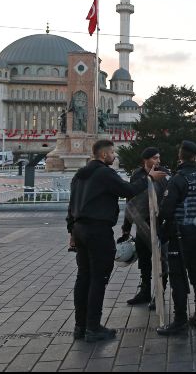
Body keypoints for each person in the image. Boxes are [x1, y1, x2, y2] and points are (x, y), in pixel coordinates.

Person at [67, 139, 166, 342]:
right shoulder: (104, 173)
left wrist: (72, 231)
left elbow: (71, 205)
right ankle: (93, 327)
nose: (115, 156)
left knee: (83, 277)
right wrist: (149, 178)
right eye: (113, 153)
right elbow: (127, 191)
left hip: (80, 230)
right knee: (98, 279)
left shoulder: (80, 174)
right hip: (98, 231)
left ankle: (80, 326)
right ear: (104, 155)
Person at [156, 140, 196, 335]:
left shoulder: (178, 179)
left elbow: (166, 209)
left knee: (178, 277)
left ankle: (180, 320)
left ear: (180, 156)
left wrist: (160, 229)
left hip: (179, 234)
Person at [123, 147, 170, 309]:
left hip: (159, 225)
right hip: (142, 224)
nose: (158, 161)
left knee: (161, 260)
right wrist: (126, 227)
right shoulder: (137, 175)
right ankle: (144, 291)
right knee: (144, 260)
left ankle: (159, 294)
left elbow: (168, 197)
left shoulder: (163, 174)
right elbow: (131, 201)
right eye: (155, 158)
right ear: (146, 160)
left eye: (159, 157)